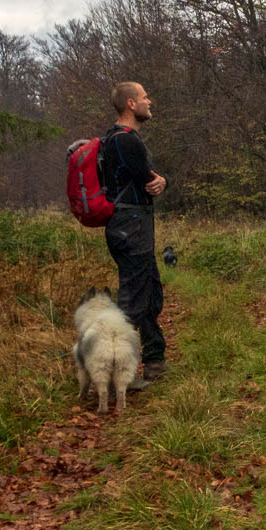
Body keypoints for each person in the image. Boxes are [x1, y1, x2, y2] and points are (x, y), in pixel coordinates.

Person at [96, 81, 169, 380]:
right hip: (131, 225)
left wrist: (159, 181)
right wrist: (163, 181)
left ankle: (155, 358)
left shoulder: (111, 139)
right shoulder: (126, 141)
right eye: (144, 97)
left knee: (149, 291)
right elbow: (149, 182)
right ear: (130, 104)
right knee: (133, 300)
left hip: (128, 225)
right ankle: (111, 370)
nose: (149, 101)